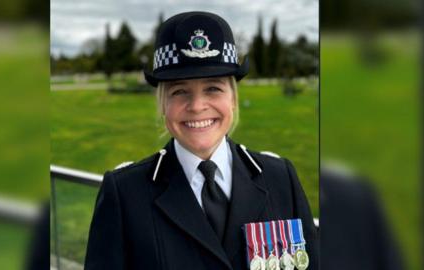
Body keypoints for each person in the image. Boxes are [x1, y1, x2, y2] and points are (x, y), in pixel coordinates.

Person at [85, 11, 318, 270]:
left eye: (213, 88)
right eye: (180, 91)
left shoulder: (279, 179)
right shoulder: (125, 194)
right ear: (163, 104)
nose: (197, 106)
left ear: (232, 98)